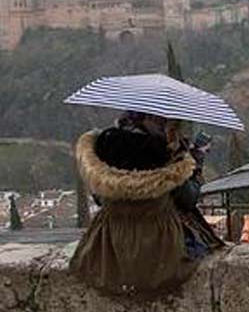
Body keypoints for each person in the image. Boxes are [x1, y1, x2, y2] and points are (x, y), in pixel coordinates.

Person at [70, 111, 225, 298]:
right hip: (160, 246)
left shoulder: (104, 148)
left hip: (108, 245)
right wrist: (195, 162)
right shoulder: (163, 153)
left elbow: (99, 198)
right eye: (168, 121)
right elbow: (188, 199)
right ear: (153, 119)